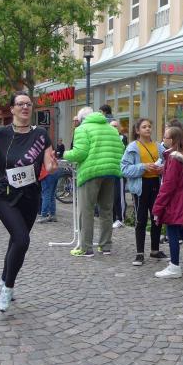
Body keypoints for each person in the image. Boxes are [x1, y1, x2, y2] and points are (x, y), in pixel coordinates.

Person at [0, 92, 57, 312]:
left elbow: (48, 164)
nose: (25, 107)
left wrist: (52, 166)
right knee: (22, 239)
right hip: (4, 195)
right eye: (20, 104)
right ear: (12, 109)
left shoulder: (41, 135)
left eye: (28, 104)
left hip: (31, 196)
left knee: (16, 241)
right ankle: (8, 288)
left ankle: (3, 278)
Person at [64, 107, 125, 257]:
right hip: (110, 172)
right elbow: (121, 148)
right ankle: (105, 246)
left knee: (87, 210)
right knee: (106, 210)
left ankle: (86, 248)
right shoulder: (111, 129)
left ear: (81, 119)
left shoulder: (82, 129)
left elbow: (80, 153)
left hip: (91, 172)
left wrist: (65, 154)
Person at [152, 126, 183, 279]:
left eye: (165, 137)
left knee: (172, 231)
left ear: (172, 140)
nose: (163, 139)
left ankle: (174, 267)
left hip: (176, 200)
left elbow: (168, 185)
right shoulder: (182, 155)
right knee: (182, 232)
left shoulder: (173, 158)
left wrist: (158, 206)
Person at [120, 118, 166, 266]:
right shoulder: (132, 147)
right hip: (140, 187)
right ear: (137, 130)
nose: (147, 129)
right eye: (144, 127)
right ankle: (139, 253)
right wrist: (143, 167)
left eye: (149, 126)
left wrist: (162, 169)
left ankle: (154, 250)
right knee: (141, 219)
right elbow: (124, 169)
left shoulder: (159, 147)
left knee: (156, 218)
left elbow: (167, 164)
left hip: (156, 185)